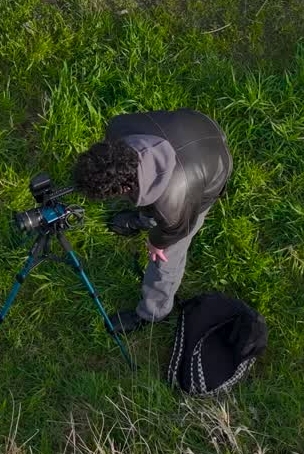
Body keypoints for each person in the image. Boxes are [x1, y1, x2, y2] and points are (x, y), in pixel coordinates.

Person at [72, 108, 232, 334]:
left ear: (123, 188)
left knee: (165, 260)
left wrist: (156, 243)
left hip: (212, 168)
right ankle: (144, 220)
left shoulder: (173, 206)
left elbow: (176, 229)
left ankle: (154, 311)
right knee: (153, 204)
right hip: (195, 125)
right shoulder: (118, 128)